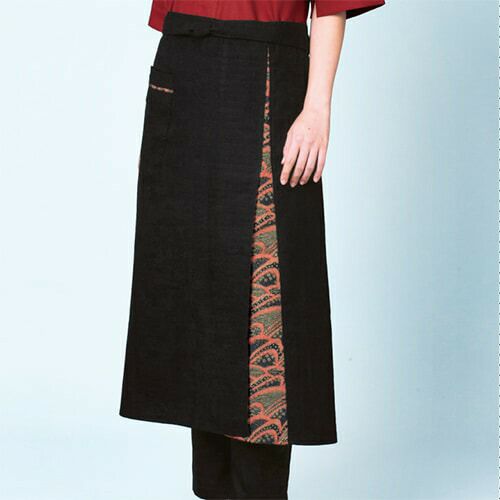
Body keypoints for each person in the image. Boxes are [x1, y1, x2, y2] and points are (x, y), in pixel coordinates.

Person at [120, 1, 385, 498]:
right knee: (199, 301)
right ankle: (215, 488)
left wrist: (317, 107)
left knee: (265, 301)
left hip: (264, 69)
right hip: (183, 72)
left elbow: (332, 5)